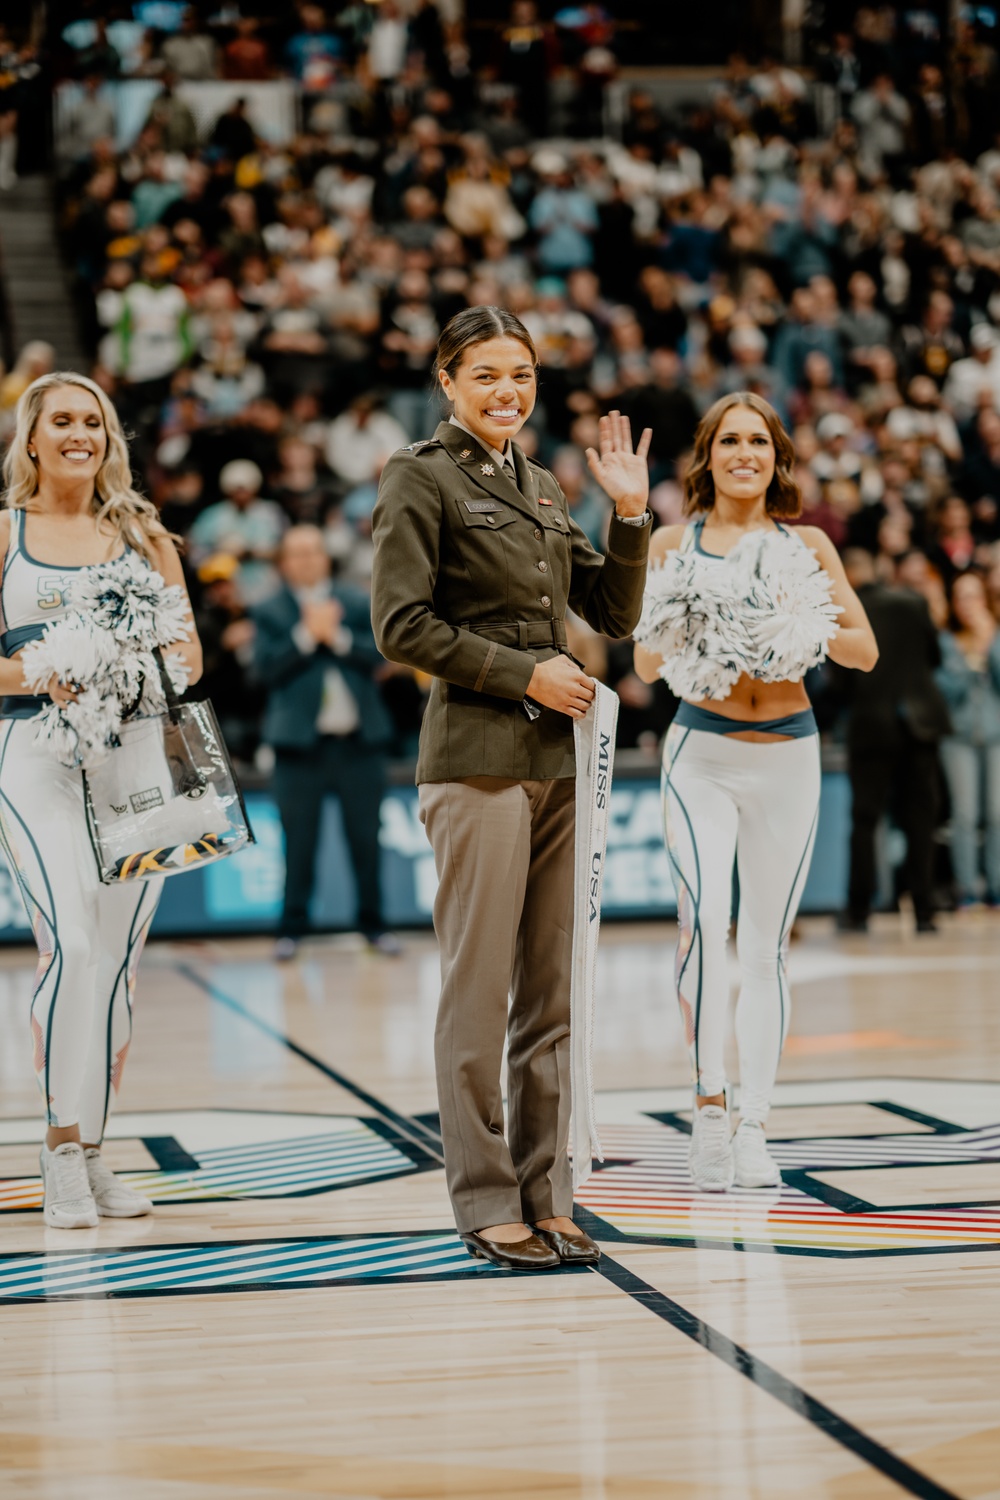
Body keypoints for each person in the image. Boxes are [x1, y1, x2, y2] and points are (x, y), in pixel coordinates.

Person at [371, 305, 652, 1270]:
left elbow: (609, 609)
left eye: (522, 375)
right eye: (486, 374)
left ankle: (549, 1191)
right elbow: (400, 626)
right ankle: (487, 1197)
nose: (507, 391)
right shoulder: (421, 474)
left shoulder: (537, 483)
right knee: (479, 993)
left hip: (560, 764)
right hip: (477, 761)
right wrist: (522, 671)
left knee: (553, 993)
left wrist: (628, 515)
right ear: (446, 381)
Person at [633, 394, 877, 1193]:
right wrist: (691, 617)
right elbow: (641, 669)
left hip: (787, 759)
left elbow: (864, 652)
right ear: (706, 455)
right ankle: (707, 1111)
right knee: (705, 925)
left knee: (766, 947)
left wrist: (795, 620)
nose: (746, 452)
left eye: (760, 441)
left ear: (778, 458)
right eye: (730, 439)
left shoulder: (806, 544)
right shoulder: (676, 541)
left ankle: (754, 1127)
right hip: (698, 754)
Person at [0, 372, 203, 1227]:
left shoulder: (144, 538)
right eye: (62, 422)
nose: (79, 433)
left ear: (109, 438)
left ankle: (93, 1152)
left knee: (116, 974)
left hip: (133, 767)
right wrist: (62, 669)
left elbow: (189, 662)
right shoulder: (4, 533)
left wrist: (134, 665)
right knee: (74, 948)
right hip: (33, 752)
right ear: (33, 440)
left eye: (94, 421)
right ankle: (57, 1150)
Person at [253, 526, 397, 958]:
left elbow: (382, 654)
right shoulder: (270, 611)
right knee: (297, 845)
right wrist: (305, 637)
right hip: (299, 749)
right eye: (296, 553)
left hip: (358, 745)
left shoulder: (355, 602)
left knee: (367, 842)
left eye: (313, 551)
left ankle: (374, 926)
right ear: (283, 562)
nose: (306, 560)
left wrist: (335, 636)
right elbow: (263, 670)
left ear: (325, 556)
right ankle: (291, 929)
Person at [837, 548, 950, 934]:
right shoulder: (914, 602)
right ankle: (924, 912)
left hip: (871, 727)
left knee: (865, 821)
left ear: (848, 575)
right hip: (918, 724)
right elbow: (934, 658)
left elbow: (840, 681)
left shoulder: (846, 611)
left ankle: (858, 911)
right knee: (921, 820)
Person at [936, 572, 1000, 907]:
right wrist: (970, 663)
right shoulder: (946, 641)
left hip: (995, 735)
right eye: (961, 596)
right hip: (958, 737)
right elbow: (947, 691)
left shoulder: (996, 635)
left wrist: (989, 645)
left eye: (974, 596)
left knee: (997, 814)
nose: (968, 604)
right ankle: (967, 890)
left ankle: (996, 888)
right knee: (964, 814)